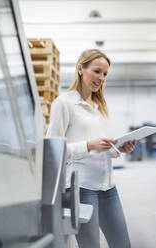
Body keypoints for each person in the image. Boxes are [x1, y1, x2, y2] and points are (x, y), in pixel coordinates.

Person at [47, 49, 135, 247]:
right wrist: (87, 145)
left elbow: (104, 147)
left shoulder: (99, 106)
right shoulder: (64, 103)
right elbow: (52, 149)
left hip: (108, 186)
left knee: (122, 244)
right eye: (97, 71)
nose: (101, 78)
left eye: (105, 74)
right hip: (82, 188)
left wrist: (121, 148)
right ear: (80, 69)